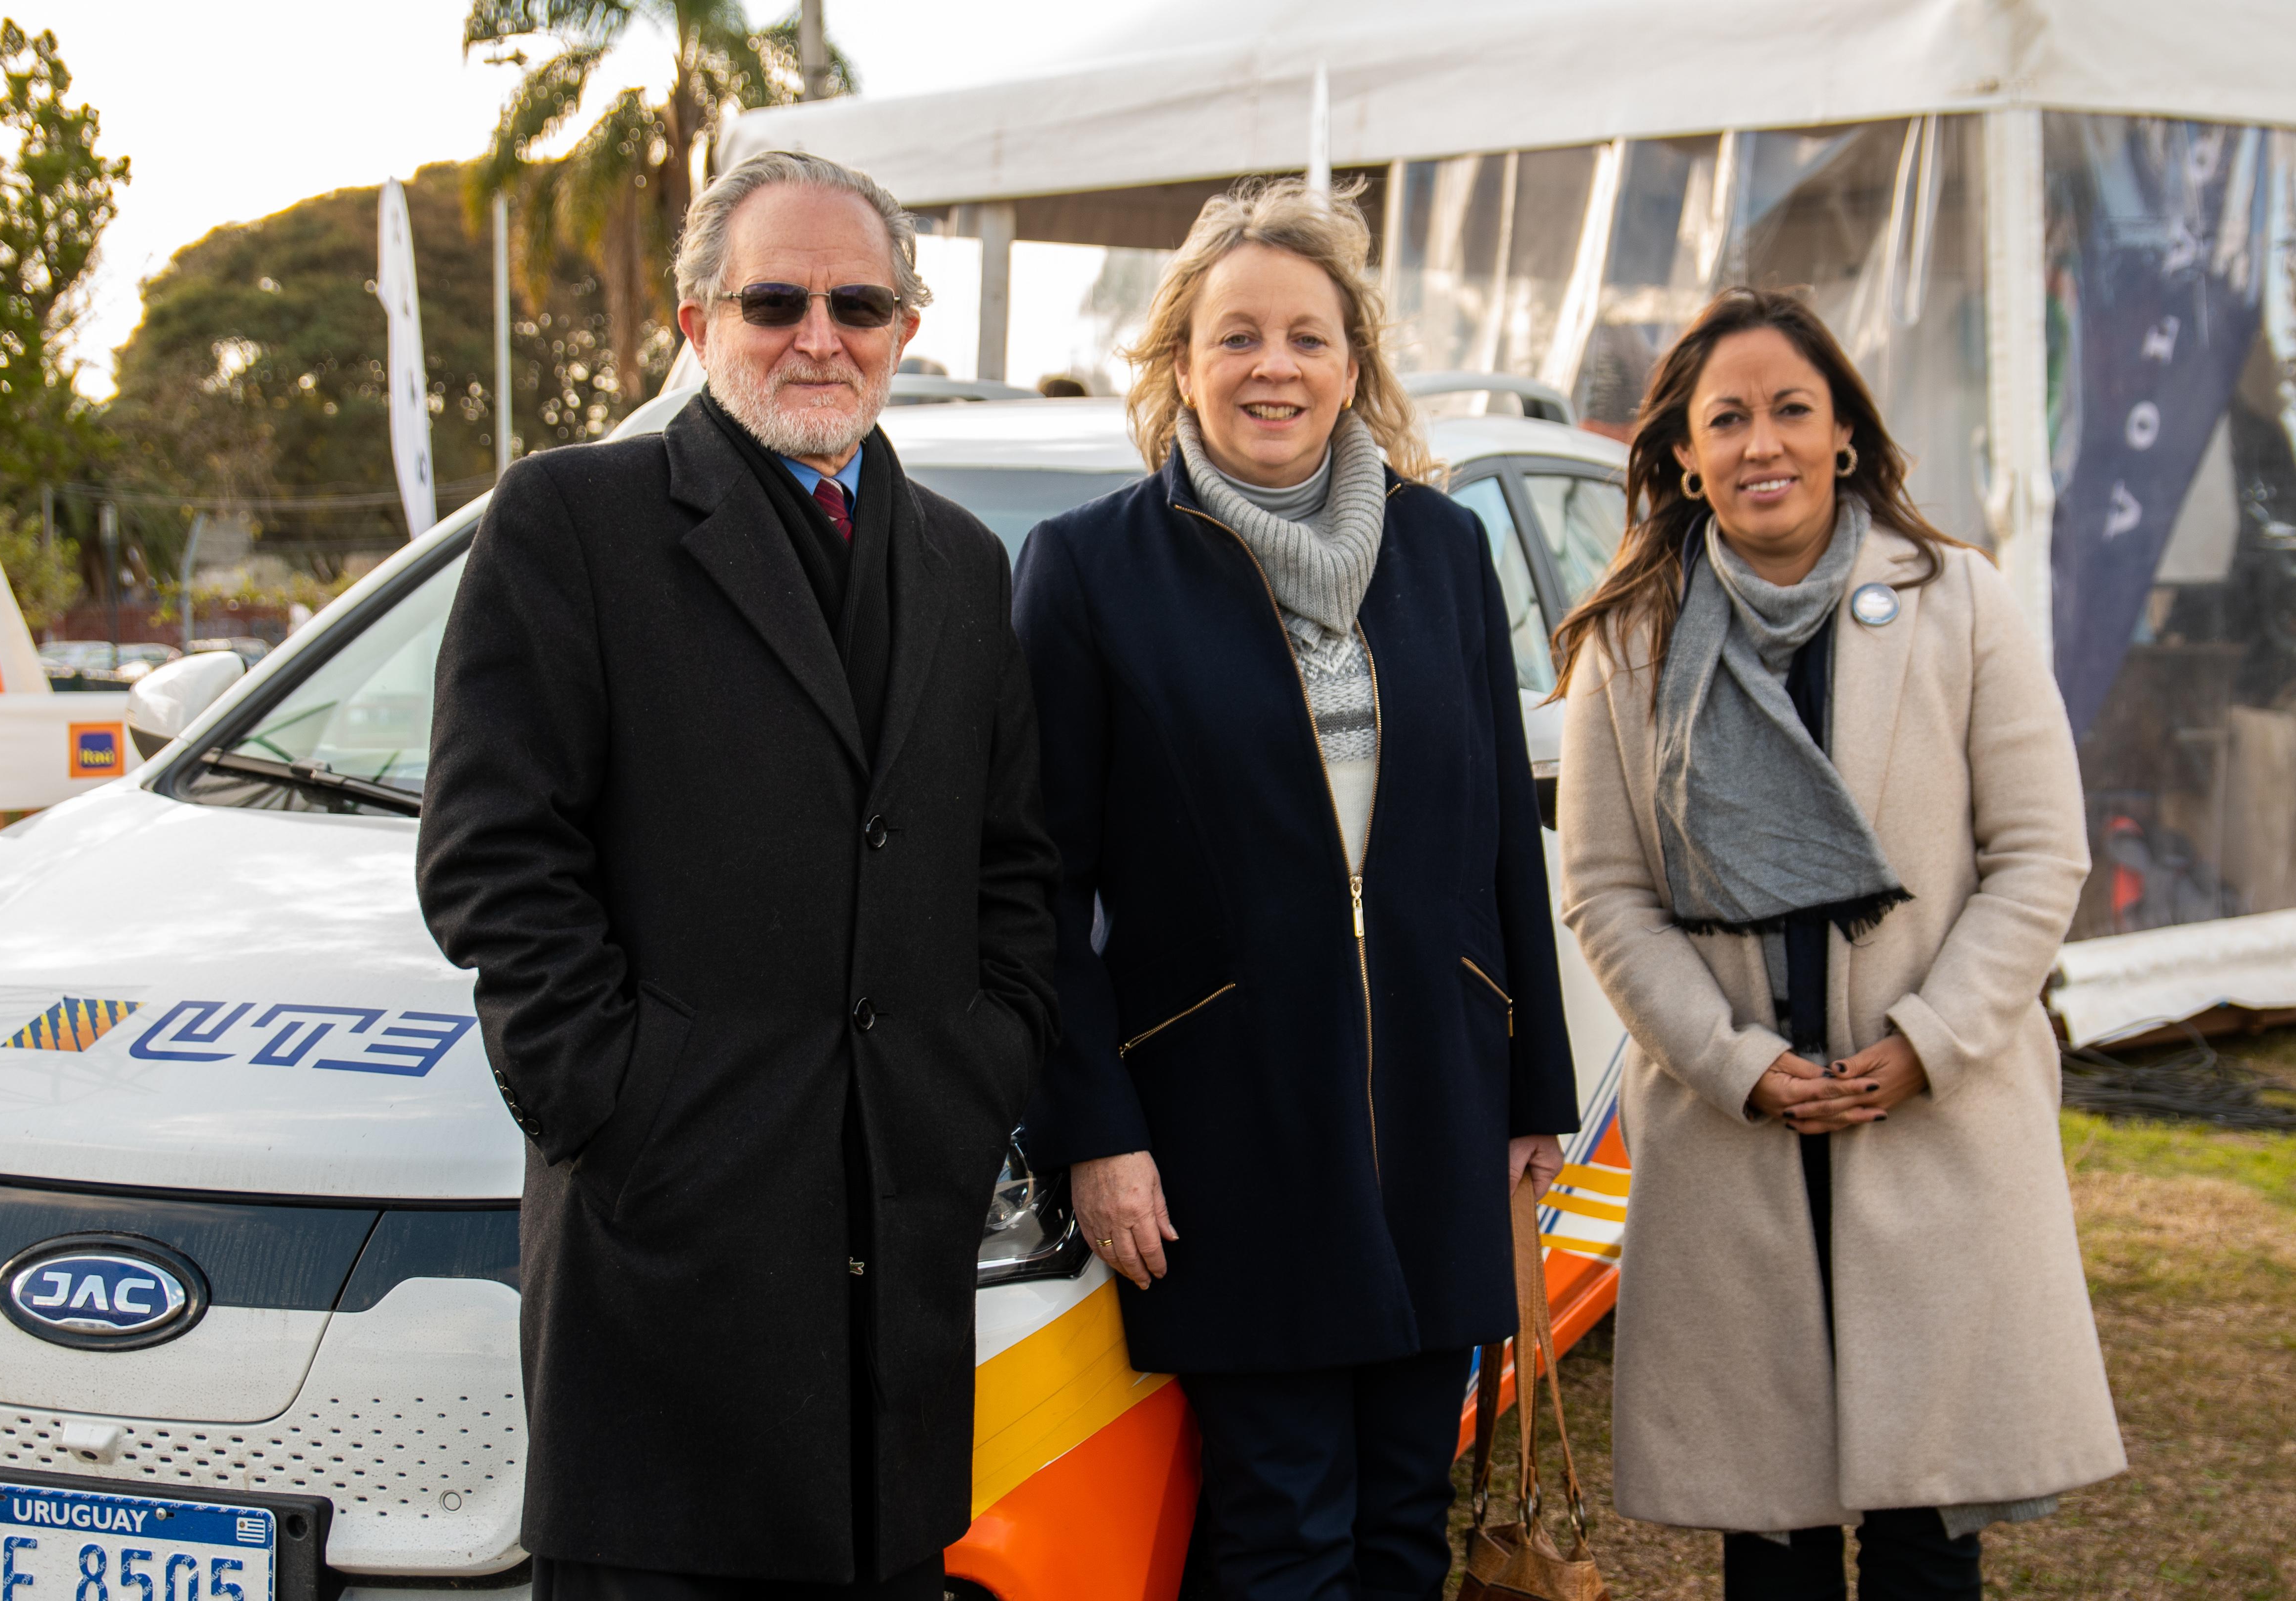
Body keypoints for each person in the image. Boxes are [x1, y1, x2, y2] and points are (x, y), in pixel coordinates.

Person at [415, 150, 1058, 1601]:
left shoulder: (959, 564)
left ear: (904, 327)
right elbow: (491, 854)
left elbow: (1012, 861)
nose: (817, 334)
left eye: (857, 300)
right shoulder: (571, 522)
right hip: (663, 1261)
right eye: (775, 298)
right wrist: (616, 1095)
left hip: (893, 1254)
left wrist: (981, 1070)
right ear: (699, 324)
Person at [1012, 177, 1580, 1601]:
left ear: (1353, 362)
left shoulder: (1445, 550)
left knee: (1401, 1512)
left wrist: (1532, 1095)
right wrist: (1093, 1129)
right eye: (1237, 336)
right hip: (1223, 1133)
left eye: (1308, 337)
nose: (1274, 365)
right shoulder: (1088, 570)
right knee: (1280, 1522)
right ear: (1180, 361)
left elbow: (1505, 834)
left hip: (1437, 1116)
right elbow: (1034, 884)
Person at [1551, 287, 2123, 1599]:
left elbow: (2040, 857)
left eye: (1790, 410)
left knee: (1928, 1541)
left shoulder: (1956, 601)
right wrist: (1729, 1059)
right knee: (1772, 1546)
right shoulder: (1627, 644)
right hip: (1737, 1134)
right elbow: (1604, 894)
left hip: (1927, 1117)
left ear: (1844, 437)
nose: (1763, 443)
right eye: (1728, 418)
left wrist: (1929, 1041)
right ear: (1683, 455)